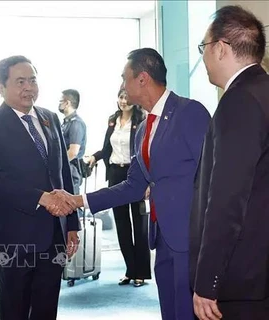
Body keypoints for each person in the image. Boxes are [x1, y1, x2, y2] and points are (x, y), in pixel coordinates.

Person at [66, 48, 211, 319]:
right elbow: (134, 186)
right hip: (162, 237)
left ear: (142, 78)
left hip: (192, 237)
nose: (122, 85)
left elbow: (213, 176)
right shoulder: (144, 128)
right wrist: (79, 201)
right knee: (172, 310)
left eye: (125, 78)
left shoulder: (190, 113)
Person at [0, 55, 80, 320]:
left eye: (32, 80)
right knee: (15, 306)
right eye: (20, 81)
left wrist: (73, 224)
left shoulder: (49, 118)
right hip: (15, 234)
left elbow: (63, 173)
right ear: (1, 87)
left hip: (54, 231)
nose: (28, 87)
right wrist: (40, 197)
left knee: (46, 305)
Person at [190, 5, 269, 320]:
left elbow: (226, 200)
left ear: (220, 49)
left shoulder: (239, 102)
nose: (204, 57)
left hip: (241, 279)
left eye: (203, 48)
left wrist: (208, 280)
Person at [86, 88, 150, 287]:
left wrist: (149, 180)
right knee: (122, 225)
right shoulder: (113, 119)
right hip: (115, 173)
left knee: (139, 226)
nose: (124, 101)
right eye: (121, 97)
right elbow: (107, 148)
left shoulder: (141, 120)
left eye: (127, 97)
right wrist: (94, 157)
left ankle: (142, 272)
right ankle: (130, 270)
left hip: (135, 174)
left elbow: (146, 150)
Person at [58, 89, 87, 202]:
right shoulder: (66, 122)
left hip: (71, 169)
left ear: (67, 103)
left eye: (61, 101)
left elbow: (73, 152)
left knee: (70, 205)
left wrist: (58, 166)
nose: (59, 104)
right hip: (66, 169)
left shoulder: (76, 123)